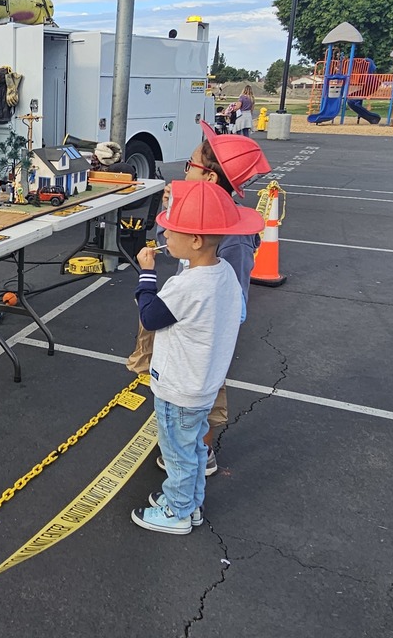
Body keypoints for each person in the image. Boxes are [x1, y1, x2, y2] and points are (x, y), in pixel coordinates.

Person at [125, 122, 271, 474]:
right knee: (188, 390)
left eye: (190, 164)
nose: (185, 169)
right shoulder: (207, 221)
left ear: (208, 179)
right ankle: (185, 445)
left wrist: (170, 299)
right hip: (186, 312)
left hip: (200, 328)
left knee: (205, 392)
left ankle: (199, 454)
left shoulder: (229, 240)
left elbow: (228, 295)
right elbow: (175, 242)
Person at [130, 180, 265, 534]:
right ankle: (190, 505)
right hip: (203, 386)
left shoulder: (187, 285)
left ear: (195, 240)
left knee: (177, 453)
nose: (164, 236)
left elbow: (150, 316)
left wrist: (146, 275)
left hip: (178, 389)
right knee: (191, 450)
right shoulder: (224, 275)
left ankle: (176, 512)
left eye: (170, 231)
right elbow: (236, 316)